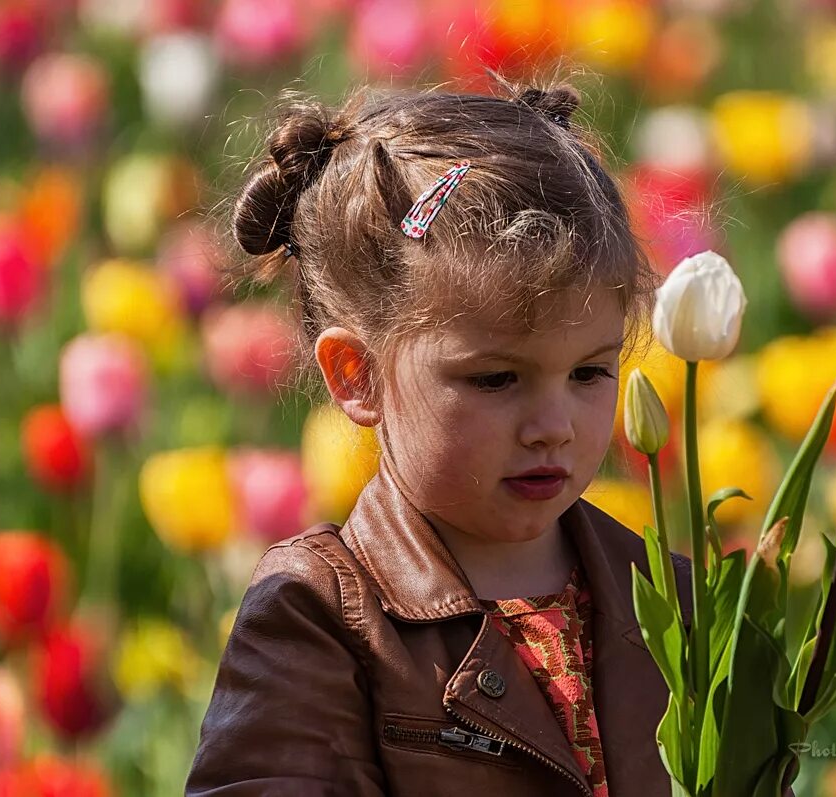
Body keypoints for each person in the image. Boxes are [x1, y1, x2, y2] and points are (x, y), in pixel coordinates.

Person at [185, 73, 697, 797]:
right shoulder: (327, 618)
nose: (553, 426)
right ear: (357, 374)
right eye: (496, 380)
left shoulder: (669, 596)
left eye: (589, 373)